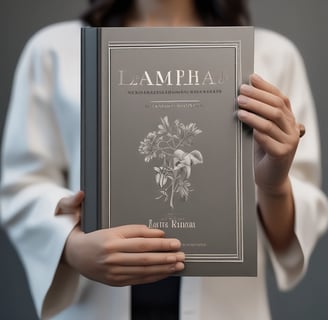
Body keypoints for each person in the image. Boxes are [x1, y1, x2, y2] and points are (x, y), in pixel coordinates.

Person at [1, 0, 328, 319]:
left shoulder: (271, 55)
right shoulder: (55, 50)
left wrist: (273, 185)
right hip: (94, 304)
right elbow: (21, 184)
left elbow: (293, 232)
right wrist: (70, 246)